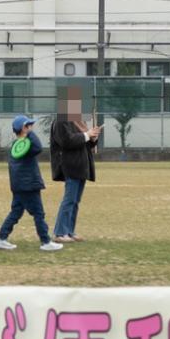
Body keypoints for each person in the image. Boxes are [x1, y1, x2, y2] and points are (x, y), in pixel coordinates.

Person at [0, 115, 63, 252]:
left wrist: (26, 132)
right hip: (28, 185)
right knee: (38, 213)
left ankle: (1, 238)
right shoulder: (27, 145)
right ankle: (45, 241)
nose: (31, 127)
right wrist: (29, 132)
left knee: (16, 212)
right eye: (28, 125)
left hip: (19, 185)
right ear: (23, 128)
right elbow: (38, 147)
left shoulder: (15, 146)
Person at [50, 104, 100, 243]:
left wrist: (93, 138)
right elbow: (66, 141)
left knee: (75, 201)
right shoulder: (61, 120)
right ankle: (60, 233)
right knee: (69, 199)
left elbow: (86, 143)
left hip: (81, 165)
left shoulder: (78, 121)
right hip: (70, 164)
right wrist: (86, 135)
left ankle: (69, 231)